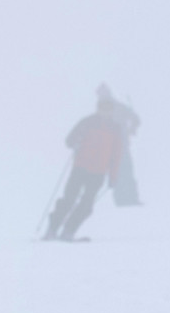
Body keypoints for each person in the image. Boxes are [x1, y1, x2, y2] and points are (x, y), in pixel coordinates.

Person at [44, 90, 126, 241]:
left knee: (86, 205)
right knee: (68, 200)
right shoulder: (88, 122)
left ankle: (68, 232)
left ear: (112, 110)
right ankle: (52, 230)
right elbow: (69, 140)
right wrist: (76, 142)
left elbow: (116, 155)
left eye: (108, 108)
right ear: (98, 108)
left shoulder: (115, 129)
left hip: (99, 173)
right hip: (80, 168)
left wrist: (113, 177)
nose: (105, 111)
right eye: (102, 107)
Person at [98, 85, 143, 207]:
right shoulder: (104, 111)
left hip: (118, 146)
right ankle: (127, 199)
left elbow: (136, 118)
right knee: (122, 172)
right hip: (115, 146)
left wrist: (132, 128)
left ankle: (126, 199)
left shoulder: (112, 108)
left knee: (122, 171)